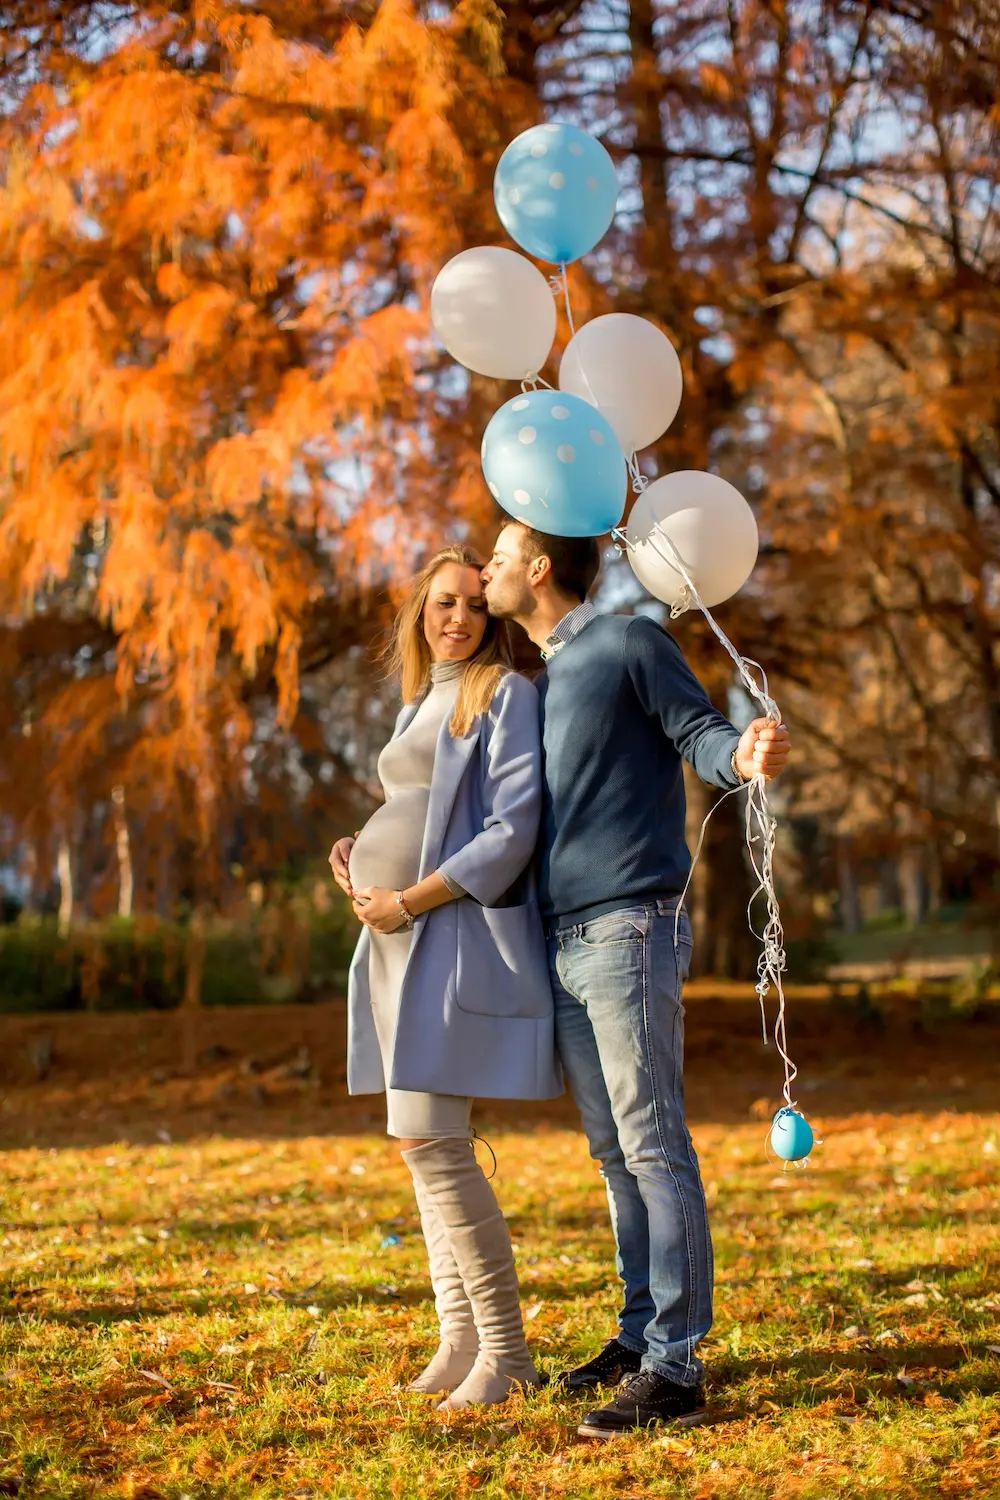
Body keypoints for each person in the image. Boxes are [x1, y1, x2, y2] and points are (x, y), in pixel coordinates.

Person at [481, 520, 791, 1439]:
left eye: (500, 555)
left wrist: (740, 754)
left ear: (539, 568)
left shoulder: (626, 639)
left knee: (654, 1145)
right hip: (559, 939)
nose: (488, 566)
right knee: (615, 1153)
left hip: (627, 928)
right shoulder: (531, 685)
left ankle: (676, 1366)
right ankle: (636, 1335)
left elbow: (697, 731)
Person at [328, 544, 560, 1411]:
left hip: (442, 933)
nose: (456, 617)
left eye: (471, 603)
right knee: (416, 1146)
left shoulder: (503, 693)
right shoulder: (420, 700)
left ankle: (508, 1353)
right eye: (441, 605)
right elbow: (416, 809)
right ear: (419, 616)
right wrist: (359, 847)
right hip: (394, 938)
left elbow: (510, 830)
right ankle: (458, 1337)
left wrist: (410, 900)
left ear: (494, 616)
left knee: (435, 1144)